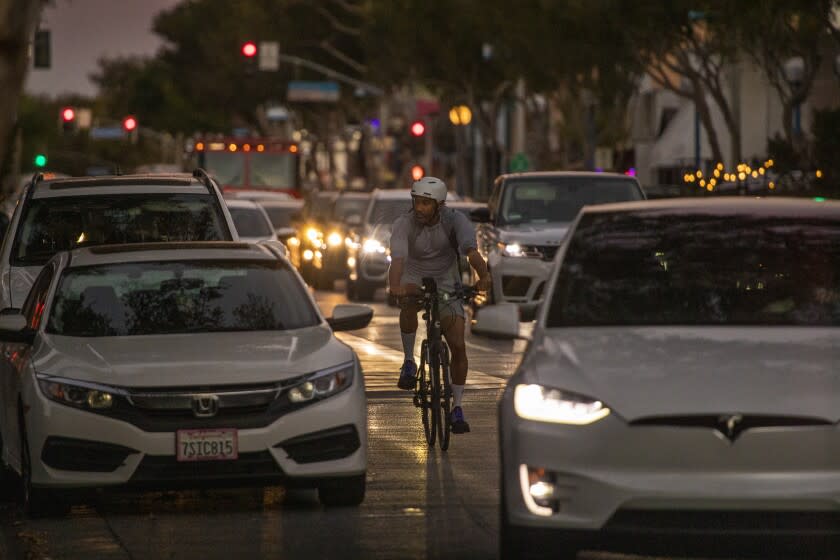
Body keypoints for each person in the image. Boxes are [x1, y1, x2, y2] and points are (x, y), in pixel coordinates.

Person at [388, 177, 491, 434]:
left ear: (440, 205)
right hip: (413, 275)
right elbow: (397, 260)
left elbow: (472, 253)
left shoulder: (455, 221)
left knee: (457, 343)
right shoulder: (403, 224)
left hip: (447, 279)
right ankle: (409, 361)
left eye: (426, 203)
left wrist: (484, 277)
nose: (419, 208)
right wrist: (396, 286)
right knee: (408, 306)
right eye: (416, 202)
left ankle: (457, 407)